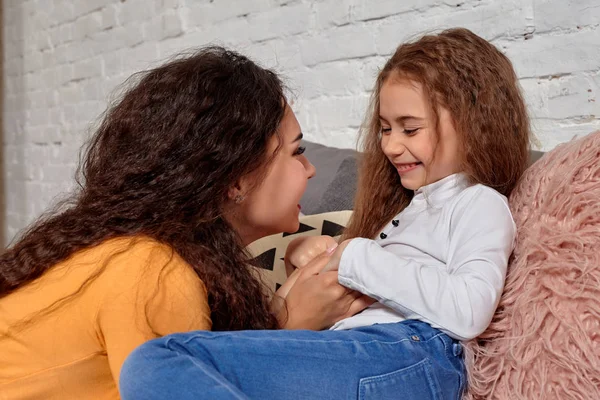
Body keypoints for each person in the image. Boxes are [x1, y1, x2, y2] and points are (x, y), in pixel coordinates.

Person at [118, 28, 531, 400]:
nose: (389, 146)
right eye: (386, 128)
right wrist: (304, 248)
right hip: (363, 351)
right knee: (162, 362)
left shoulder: (479, 203)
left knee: (159, 361)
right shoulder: (408, 210)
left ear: (475, 124)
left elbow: (470, 311)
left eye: (410, 128)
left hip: (412, 351)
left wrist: (354, 257)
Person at [0, 47, 370, 399]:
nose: (311, 169)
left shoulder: (135, 249)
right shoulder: (153, 272)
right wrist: (292, 331)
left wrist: (286, 302)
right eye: (297, 152)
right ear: (236, 178)